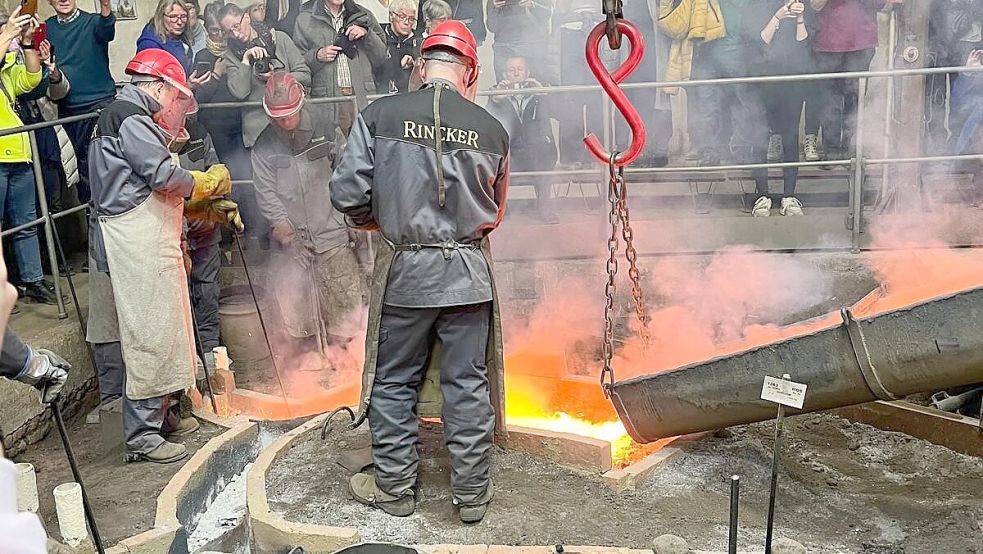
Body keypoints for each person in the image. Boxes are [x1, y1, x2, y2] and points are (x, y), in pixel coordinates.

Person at [331, 20, 509, 523]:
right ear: (468, 70)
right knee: (467, 383)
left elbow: (346, 195)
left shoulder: (380, 115)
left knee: (393, 383)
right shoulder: (491, 130)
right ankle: (472, 496)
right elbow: (495, 212)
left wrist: (384, 221)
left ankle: (396, 490)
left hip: (407, 275)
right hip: (469, 276)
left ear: (422, 65)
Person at [87, 48, 238, 463]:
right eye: (176, 99)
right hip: (136, 241)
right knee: (150, 333)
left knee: (168, 329)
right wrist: (203, 185)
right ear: (159, 87)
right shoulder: (129, 118)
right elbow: (160, 174)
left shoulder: (121, 116)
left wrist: (193, 207)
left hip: (145, 235)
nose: (176, 108)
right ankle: (143, 435)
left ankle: (166, 414)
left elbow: (142, 184)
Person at [252, 71, 364, 351]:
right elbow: (267, 195)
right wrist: (289, 237)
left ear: (302, 104)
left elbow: (348, 175)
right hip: (293, 241)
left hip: (332, 233)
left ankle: (346, 365)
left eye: (290, 114)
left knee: (344, 312)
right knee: (297, 312)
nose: (286, 122)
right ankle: (307, 366)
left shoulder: (327, 130)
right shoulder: (264, 146)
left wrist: (350, 219)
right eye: (279, 118)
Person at [0, 7, 58, 305]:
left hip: (18, 153)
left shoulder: (5, 73)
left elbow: (33, 78)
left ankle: (33, 280)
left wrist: (25, 41)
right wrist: (7, 34)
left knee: (27, 221)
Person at [745, 0, 816, 217]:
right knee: (759, 137)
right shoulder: (757, 7)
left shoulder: (804, 9)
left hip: (791, 83)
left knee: (791, 137)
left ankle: (789, 195)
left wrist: (800, 18)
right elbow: (759, 42)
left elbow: (803, 44)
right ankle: (762, 195)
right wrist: (777, 17)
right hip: (762, 82)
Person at [45, 0, 115, 205]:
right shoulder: (47, 27)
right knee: (81, 169)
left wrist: (105, 8)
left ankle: (113, 215)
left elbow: (106, 30)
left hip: (100, 104)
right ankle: (91, 217)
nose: (64, 0)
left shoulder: (93, 22)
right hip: (67, 107)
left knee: (106, 162)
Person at [687, 0, 769, 167]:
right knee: (709, 105)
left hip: (737, 52)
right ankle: (711, 152)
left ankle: (741, 151)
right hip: (706, 53)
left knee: (740, 103)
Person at [803, 0, 887, 162]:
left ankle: (851, 147)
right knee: (829, 101)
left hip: (861, 42)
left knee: (855, 99)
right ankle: (831, 150)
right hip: (827, 41)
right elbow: (813, 5)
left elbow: (880, 3)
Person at [220, 1, 310, 149]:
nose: (235, 34)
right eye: (229, 31)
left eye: (236, 26)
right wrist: (245, 61)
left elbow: (305, 76)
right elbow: (240, 93)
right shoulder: (230, 55)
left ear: (247, 18)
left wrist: (278, 78)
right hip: (258, 132)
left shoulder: (279, 39)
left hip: (290, 123)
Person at [293, 0, 387, 135]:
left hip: (361, 98)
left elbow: (381, 56)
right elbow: (297, 64)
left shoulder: (363, 15)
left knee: (364, 150)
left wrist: (367, 34)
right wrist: (317, 56)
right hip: (328, 102)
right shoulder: (305, 19)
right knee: (332, 151)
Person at [485, 56, 558, 222]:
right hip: (511, 152)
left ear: (528, 73)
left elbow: (558, 111)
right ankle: (502, 209)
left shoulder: (539, 95)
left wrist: (543, 92)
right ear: (505, 74)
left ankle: (544, 209)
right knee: (494, 158)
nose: (516, 73)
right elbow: (486, 120)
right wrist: (495, 99)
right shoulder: (498, 96)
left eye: (520, 70)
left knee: (544, 156)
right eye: (511, 70)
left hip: (537, 151)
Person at [485, 0, 551, 83]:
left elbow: (547, 15)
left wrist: (532, 5)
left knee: (537, 87)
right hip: (504, 47)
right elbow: (492, 27)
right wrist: (495, 10)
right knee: (504, 88)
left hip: (533, 46)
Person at [374, 0, 421, 94]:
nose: (407, 22)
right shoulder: (378, 36)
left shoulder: (419, 41)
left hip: (408, 96)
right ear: (391, 16)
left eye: (411, 19)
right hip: (381, 95)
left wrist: (415, 64)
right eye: (402, 17)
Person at [137, 0, 194, 73]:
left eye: (183, 16)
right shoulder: (149, 45)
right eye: (173, 16)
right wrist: (189, 84)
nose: (179, 22)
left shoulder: (180, 36)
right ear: (161, 17)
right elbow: (150, 83)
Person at [413, 0, 484, 44]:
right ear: (428, 21)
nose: (446, 23)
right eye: (442, 20)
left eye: (448, 20)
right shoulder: (417, 43)